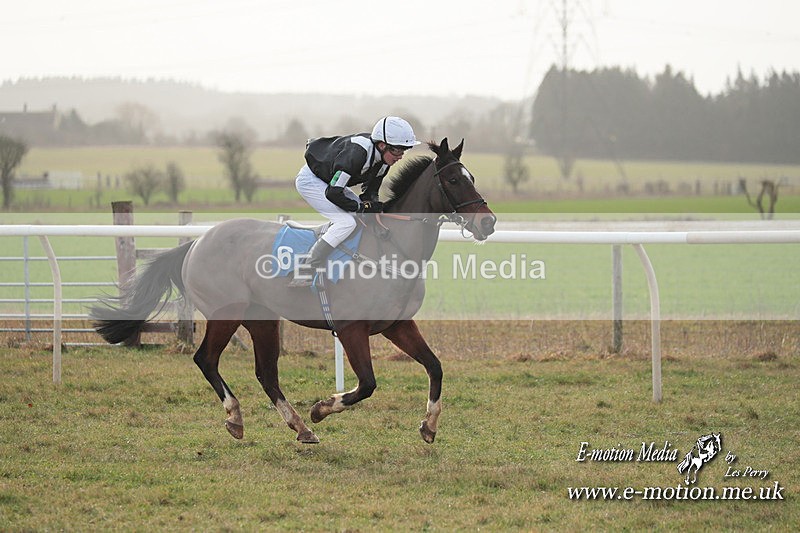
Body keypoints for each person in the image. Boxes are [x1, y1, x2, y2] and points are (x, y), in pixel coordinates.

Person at [289, 116, 421, 287]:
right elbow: (334, 193)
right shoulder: (357, 154)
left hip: (330, 183)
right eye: (397, 150)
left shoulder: (384, 161)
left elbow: (370, 192)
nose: (400, 156)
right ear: (382, 145)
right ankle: (306, 269)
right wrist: (361, 207)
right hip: (312, 181)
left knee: (364, 216)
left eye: (404, 151)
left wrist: (373, 207)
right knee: (346, 223)